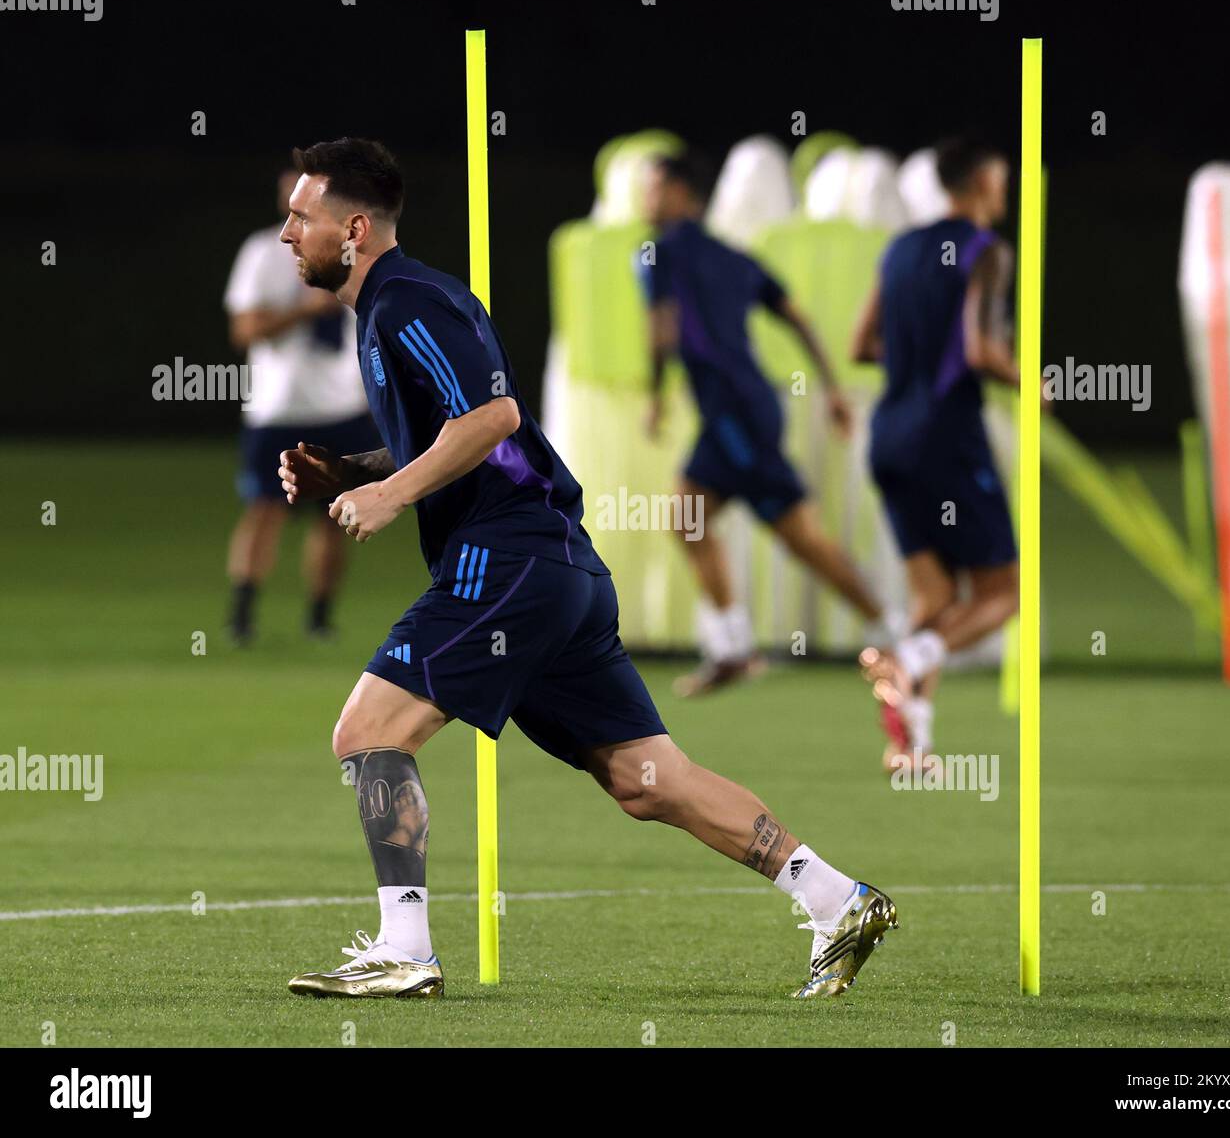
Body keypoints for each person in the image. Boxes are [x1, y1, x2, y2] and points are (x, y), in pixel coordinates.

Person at [274, 137, 897, 999]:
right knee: (649, 781)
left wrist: (392, 498)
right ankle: (839, 899)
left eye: (299, 216)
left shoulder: (407, 299)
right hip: (553, 569)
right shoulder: (388, 308)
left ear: (352, 228)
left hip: (510, 558)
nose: (284, 233)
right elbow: (452, 435)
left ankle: (405, 949)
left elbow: (493, 416)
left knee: (369, 731)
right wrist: (354, 472)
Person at [640, 152, 883, 696]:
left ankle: (890, 633)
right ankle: (732, 647)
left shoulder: (655, 255)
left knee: (799, 537)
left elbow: (661, 333)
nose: (645, 199)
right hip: (748, 405)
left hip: (734, 413)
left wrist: (656, 396)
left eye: (655, 187)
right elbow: (797, 316)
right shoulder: (733, 257)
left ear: (686, 195)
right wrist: (833, 388)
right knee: (688, 518)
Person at [850, 138, 1020, 773]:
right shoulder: (987, 251)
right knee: (1005, 594)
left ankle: (910, 742)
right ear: (980, 180)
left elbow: (861, 344)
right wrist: (1033, 382)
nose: (1003, 190)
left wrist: (917, 359)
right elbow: (980, 349)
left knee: (933, 596)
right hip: (946, 437)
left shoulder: (898, 248)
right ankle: (905, 662)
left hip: (889, 436)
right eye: (1000, 177)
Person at [223, 169, 374, 644]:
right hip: (279, 408)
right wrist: (304, 311)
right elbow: (244, 331)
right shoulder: (265, 250)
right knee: (265, 510)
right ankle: (241, 615)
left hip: (342, 405)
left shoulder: (359, 249)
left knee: (336, 516)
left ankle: (319, 618)